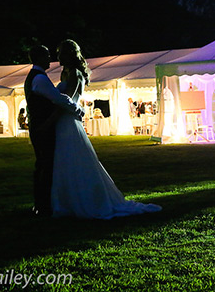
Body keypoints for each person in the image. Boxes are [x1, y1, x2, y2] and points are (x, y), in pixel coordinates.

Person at [51, 39, 161, 219]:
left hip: (68, 120)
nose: (58, 57)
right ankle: (67, 201)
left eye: (61, 53)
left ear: (69, 54)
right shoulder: (66, 73)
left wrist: (52, 104)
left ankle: (84, 201)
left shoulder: (75, 74)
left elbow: (68, 100)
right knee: (64, 160)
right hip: (63, 120)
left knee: (75, 160)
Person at [24, 45, 83, 217]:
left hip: (41, 126)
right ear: (40, 58)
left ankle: (42, 204)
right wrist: (79, 110)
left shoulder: (36, 76)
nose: (51, 59)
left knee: (43, 165)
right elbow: (58, 99)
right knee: (45, 165)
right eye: (48, 55)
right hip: (43, 127)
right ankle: (43, 205)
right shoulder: (40, 78)